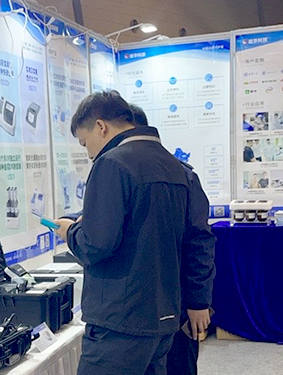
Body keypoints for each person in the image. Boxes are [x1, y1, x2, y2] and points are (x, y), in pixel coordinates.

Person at [54, 91, 215, 375]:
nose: (89, 153)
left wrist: (71, 232)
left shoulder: (112, 163)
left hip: (119, 322)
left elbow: (95, 245)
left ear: (101, 126)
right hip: (163, 319)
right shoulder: (173, 165)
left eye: (85, 143)